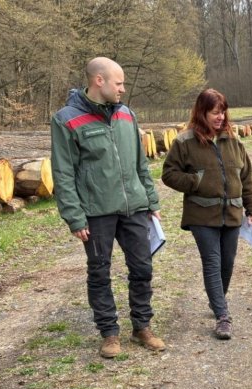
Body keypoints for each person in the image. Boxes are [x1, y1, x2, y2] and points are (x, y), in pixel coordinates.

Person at [50, 57, 166, 358]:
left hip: (134, 208)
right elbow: (63, 173)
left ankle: (142, 326)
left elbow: (141, 163)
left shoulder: (127, 114)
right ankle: (109, 333)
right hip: (96, 211)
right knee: (100, 272)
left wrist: (151, 200)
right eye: (119, 83)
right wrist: (74, 217)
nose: (123, 89)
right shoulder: (65, 119)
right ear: (99, 81)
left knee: (142, 268)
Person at [162, 89, 252, 340]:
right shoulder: (185, 141)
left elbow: (246, 177)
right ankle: (222, 316)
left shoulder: (234, 141)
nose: (220, 117)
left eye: (223, 112)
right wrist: (195, 181)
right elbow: (169, 174)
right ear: (202, 112)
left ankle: (217, 300)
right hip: (201, 215)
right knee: (212, 262)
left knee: (227, 263)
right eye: (215, 112)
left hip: (232, 214)